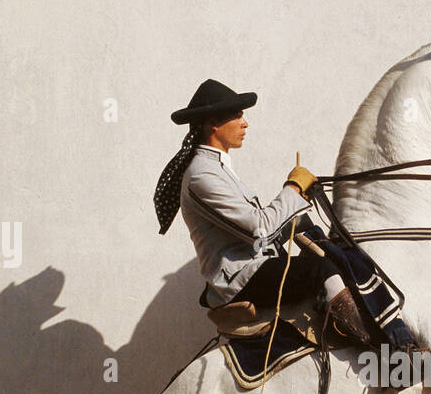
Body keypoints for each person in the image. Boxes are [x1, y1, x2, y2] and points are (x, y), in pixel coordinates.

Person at [153, 79, 379, 346]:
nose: (245, 123)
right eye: (237, 116)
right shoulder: (202, 175)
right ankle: (374, 347)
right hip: (241, 279)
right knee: (320, 269)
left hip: (255, 266)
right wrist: (293, 188)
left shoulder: (217, 167)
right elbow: (259, 228)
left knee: (339, 255)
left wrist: (312, 230)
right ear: (214, 123)